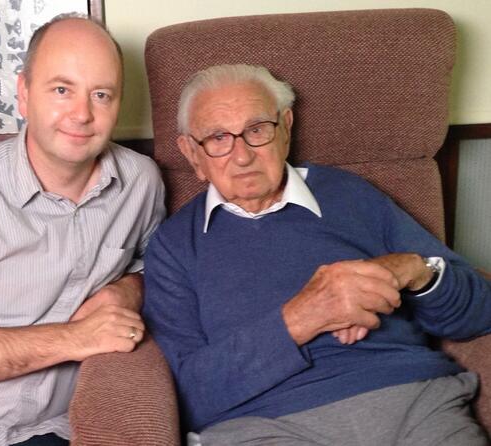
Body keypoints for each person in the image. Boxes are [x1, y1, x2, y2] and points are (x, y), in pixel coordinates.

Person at [142, 64, 491, 445]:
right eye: (218, 138)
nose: (242, 156)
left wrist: (412, 269)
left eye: (257, 130)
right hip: (265, 425)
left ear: (286, 127)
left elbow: (478, 312)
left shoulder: (353, 195)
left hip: (411, 400)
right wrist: (301, 318)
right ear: (192, 153)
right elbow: (192, 392)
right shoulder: (174, 247)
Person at [0, 14, 165, 446]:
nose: (82, 114)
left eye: (101, 94)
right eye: (62, 90)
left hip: (54, 429)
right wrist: (75, 338)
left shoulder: (141, 182)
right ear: (23, 94)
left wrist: (127, 290)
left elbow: (158, 267)